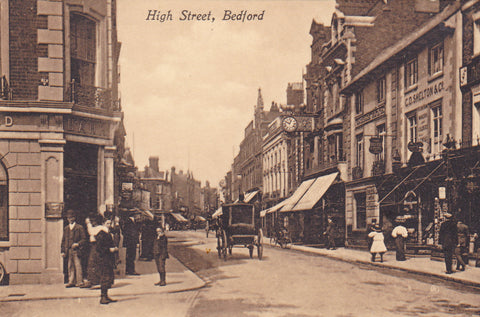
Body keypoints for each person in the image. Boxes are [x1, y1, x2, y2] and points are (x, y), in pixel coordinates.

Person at [96, 213, 118, 304]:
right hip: (104, 259)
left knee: (108, 277)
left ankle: (106, 295)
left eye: (110, 223)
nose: (109, 225)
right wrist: (110, 249)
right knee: (104, 277)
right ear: (103, 224)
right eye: (108, 223)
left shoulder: (108, 233)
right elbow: (99, 248)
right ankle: (103, 297)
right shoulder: (101, 234)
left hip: (108, 259)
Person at [61, 209, 86, 288]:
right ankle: (71, 281)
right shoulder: (66, 228)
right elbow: (63, 240)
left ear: (74, 218)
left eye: (71, 217)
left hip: (77, 250)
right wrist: (62, 251)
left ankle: (80, 282)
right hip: (68, 250)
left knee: (78, 265)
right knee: (70, 266)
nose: (70, 219)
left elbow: (84, 239)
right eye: (68, 218)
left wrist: (78, 244)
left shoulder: (79, 227)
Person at [81, 214, 103, 288]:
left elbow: (92, 232)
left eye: (93, 221)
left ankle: (97, 282)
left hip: (98, 247)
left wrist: (88, 224)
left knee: (96, 264)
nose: (92, 223)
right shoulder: (97, 227)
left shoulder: (100, 228)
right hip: (93, 246)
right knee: (91, 263)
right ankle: (92, 280)